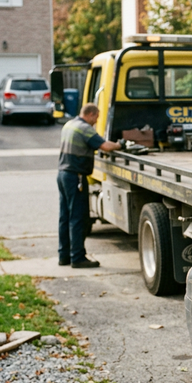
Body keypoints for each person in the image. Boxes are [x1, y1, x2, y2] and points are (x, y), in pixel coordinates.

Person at [57, 102, 123, 269]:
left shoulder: (69, 124)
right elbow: (105, 146)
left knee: (65, 217)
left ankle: (64, 256)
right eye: (96, 118)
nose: (96, 122)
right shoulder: (84, 128)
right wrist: (120, 144)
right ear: (91, 114)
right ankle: (78, 257)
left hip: (63, 174)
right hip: (76, 177)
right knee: (78, 218)